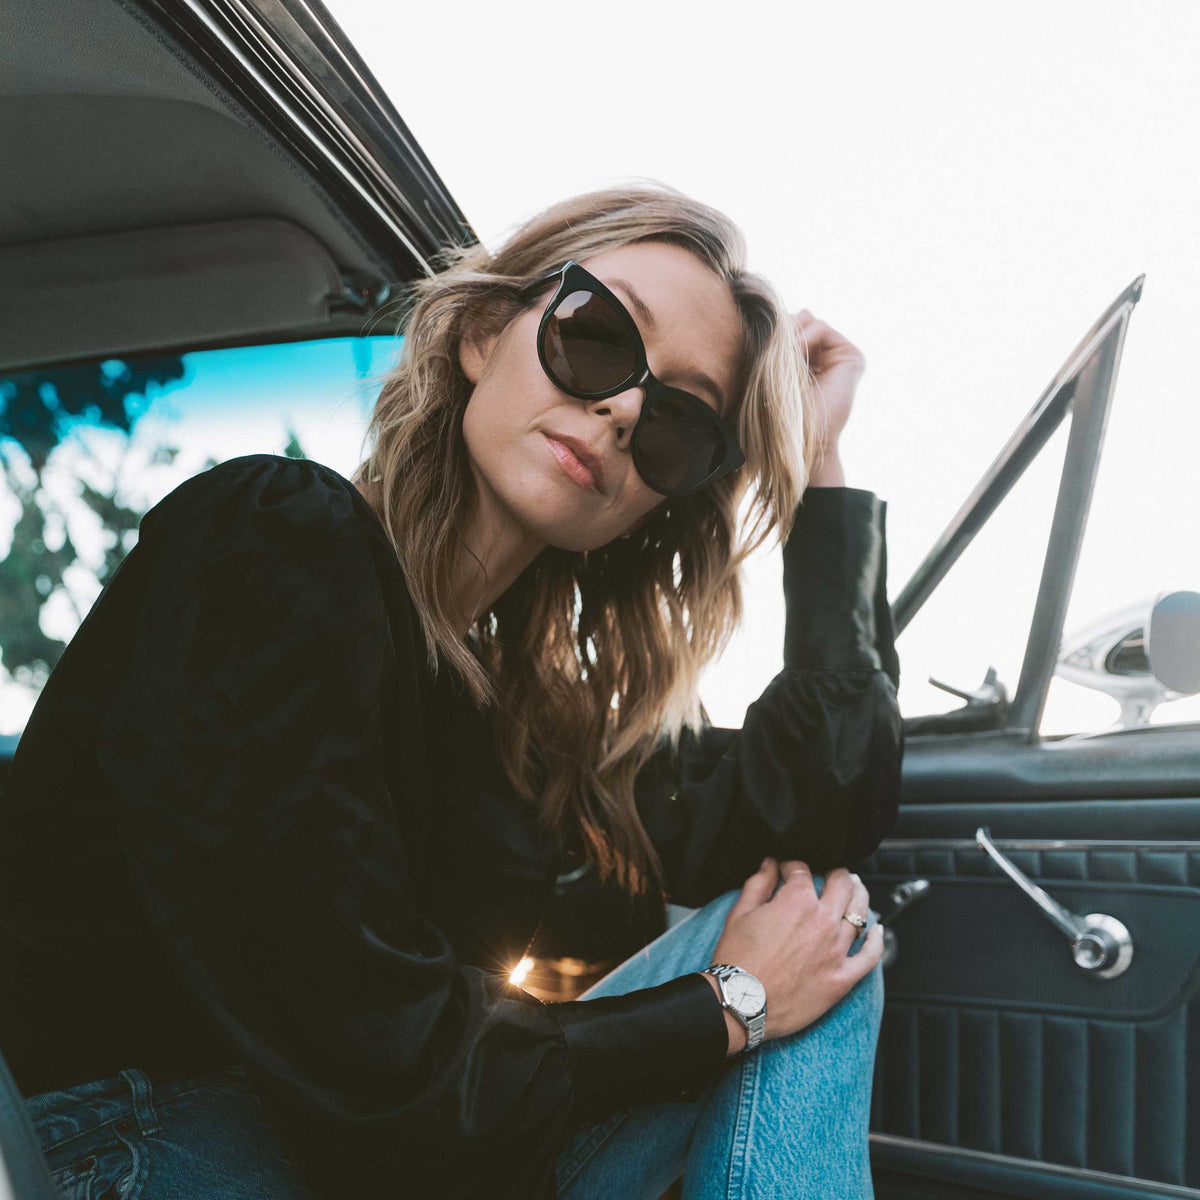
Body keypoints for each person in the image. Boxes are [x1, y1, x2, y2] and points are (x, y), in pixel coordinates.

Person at [0, 181, 903, 1199]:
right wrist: (730, 1000)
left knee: (829, 926)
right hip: (123, 1152)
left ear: (663, 498)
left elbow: (822, 807)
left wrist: (820, 459)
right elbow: (383, 1074)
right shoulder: (278, 543)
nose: (620, 408)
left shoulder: (511, 722)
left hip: (357, 1153)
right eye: (598, 337)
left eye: (679, 424)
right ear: (481, 332)